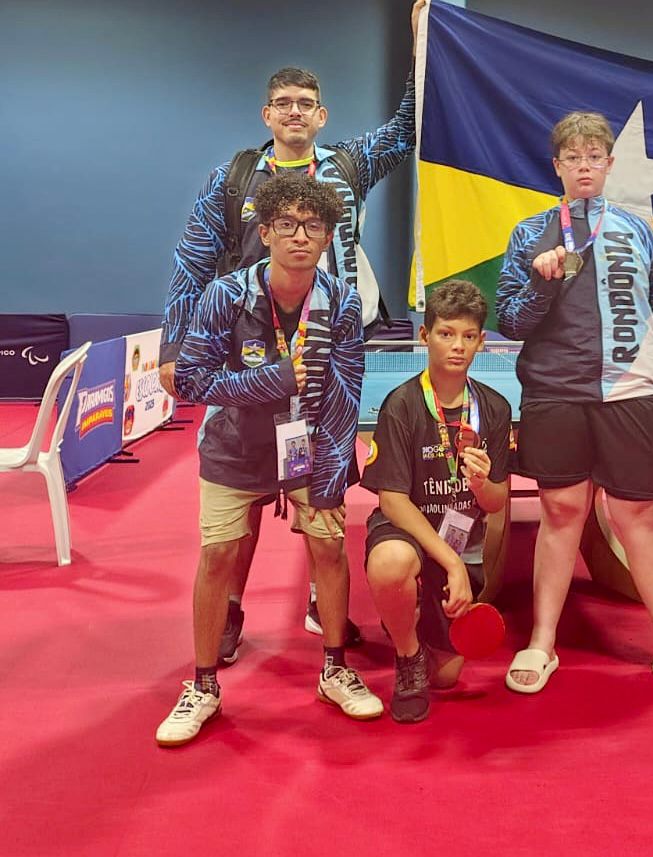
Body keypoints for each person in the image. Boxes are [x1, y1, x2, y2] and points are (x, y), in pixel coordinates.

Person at [157, 0, 427, 662]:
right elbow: (192, 263)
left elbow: (408, 128)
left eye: (306, 103)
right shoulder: (233, 178)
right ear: (267, 115)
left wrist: (425, 42)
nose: (295, 112)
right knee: (243, 490)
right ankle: (228, 611)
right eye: (284, 103)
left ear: (322, 115)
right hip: (246, 357)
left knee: (323, 475)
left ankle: (319, 603)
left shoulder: (349, 164)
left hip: (330, 353)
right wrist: (174, 347)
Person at [155, 173, 380, 747]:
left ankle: (334, 670)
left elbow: (345, 392)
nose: (300, 235)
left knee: (329, 547)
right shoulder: (225, 295)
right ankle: (203, 685)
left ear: (327, 236)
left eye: (312, 225)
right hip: (234, 445)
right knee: (218, 556)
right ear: (266, 232)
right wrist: (271, 380)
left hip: (308, 447)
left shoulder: (343, 300)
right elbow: (193, 380)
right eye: (287, 224)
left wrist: (331, 475)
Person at [495, 110, 653, 696]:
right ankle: (542, 641)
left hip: (631, 391)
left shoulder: (640, 231)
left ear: (609, 164)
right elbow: (510, 321)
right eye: (573, 158)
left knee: (639, 516)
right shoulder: (529, 233)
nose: (584, 167)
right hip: (555, 392)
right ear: (557, 166)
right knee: (561, 511)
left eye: (594, 157)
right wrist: (541, 284)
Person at [361, 280, 512, 723]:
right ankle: (408, 654)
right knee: (391, 564)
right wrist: (451, 564)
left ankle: (410, 613)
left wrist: (481, 483)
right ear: (425, 336)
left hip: (460, 539)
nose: (458, 346)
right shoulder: (401, 405)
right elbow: (392, 500)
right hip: (407, 532)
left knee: (446, 677)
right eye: (446, 333)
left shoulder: (495, 409)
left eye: (468, 336)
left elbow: (497, 502)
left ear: (481, 342)